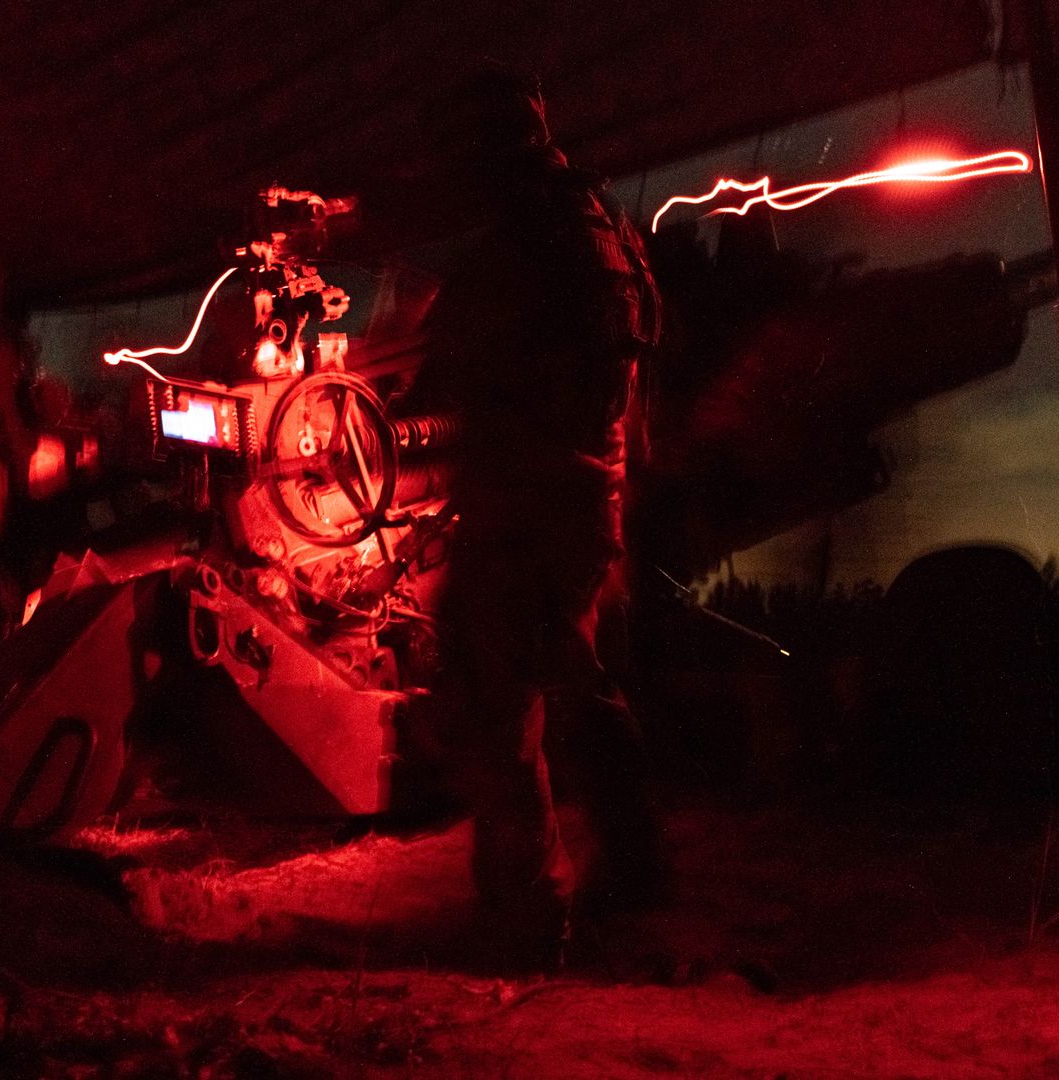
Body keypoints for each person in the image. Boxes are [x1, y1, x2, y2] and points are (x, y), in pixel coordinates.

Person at [403, 63, 667, 964]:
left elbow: (453, 371)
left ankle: (528, 920)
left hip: (521, 506)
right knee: (583, 678)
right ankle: (637, 875)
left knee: (499, 705)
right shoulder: (609, 232)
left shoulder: (516, 247)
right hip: (591, 499)